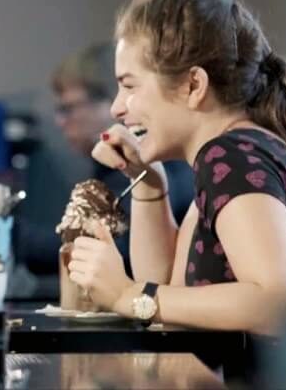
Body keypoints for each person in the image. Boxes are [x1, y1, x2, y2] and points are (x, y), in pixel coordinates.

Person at [68, 0, 286, 334]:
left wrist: (125, 293)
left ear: (194, 85)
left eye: (130, 86)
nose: (117, 108)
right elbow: (168, 291)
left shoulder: (230, 156)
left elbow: (276, 304)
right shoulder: (233, 154)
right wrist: (150, 183)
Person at [18, 44, 193, 275]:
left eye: (68, 108)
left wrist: (5, 231)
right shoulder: (114, 166)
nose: (61, 122)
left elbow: (113, 254)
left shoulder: (155, 164)